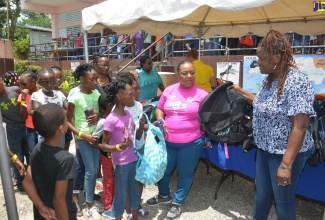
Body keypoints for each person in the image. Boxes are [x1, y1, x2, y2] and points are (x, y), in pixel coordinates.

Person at [233, 29, 315, 220]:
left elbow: (300, 126)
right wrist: (241, 92)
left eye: (262, 59)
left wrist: (286, 165)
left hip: (284, 153)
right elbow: (264, 104)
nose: (258, 63)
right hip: (265, 148)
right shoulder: (271, 78)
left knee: (283, 201)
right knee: (262, 195)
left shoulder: (295, 80)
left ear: (277, 57)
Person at [146, 60, 208, 219]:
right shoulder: (169, 90)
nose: (189, 76)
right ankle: (164, 195)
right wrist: (161, 121)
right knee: (164, 171)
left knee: (185, 173)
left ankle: (177, 203)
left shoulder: (202, 94)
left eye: (192, 73)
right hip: (167, 141)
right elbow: (160, 108)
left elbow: (209, 118)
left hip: (191, 142)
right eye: (185, 73)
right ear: (177, 75)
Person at [101, 78, 145, 220]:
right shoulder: (111, 119)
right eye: (130, 94)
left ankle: (134, 216)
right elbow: (104, 145)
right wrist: (120, 146)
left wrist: (142, 126)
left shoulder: (129, 114)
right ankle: (118, 215)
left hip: (133, 159)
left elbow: (133, 137)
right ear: (119, 96)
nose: (134, 96)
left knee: (134, 191)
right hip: (121, 163)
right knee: (120, 192)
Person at [23, 103, 77, 220]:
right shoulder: (65, 159)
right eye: (65, 119)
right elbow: (58, 200)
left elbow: (27, 182)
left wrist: (41, 207)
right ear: (61, 128)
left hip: (43, 215)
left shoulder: (38, 148)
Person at [66, 63, 101, 220]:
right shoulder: (75, 97)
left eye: (96, 79)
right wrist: (81, 135)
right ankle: (89, 205)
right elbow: (67, 121)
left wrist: (98, 116)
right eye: (92, 79)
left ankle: (89, 198)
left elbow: (104, 111)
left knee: (94, 170)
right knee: (91, 170)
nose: (96, 82)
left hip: (97, 137)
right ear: (82, 79)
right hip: (84, 138)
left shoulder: (97, 95)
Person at [115, 72, 149, 219]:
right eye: (135, 89)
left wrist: (144, 126)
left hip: (139, 146)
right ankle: (128, 209)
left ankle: (136, 204)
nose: (138, 92)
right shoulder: (120, 110)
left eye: (139, 88)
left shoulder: (138, 106)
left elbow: (139, 133)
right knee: (127, 181)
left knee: (138, 178)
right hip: (126, 151)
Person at [0, 73, 29, 192]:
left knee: (30, 152)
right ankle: (19, 180)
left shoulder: (14, 90)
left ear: (1, 80)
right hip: (12, 128)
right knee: (17, 154)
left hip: (26, 125)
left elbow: (26, 98)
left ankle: (32, 177)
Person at [29, 68, 68, 147]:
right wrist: (61, 112)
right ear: (39, 82)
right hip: (45, 134)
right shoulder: (37, 96)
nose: (49, 85)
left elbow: (68, 108)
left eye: (52, 82)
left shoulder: (59, 94)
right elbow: (39, 113)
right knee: (47, 156)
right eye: (45, 82)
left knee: (60, 154)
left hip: (60, 131)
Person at [91, 94, 115, 219]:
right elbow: (93, 140)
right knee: (109, 179)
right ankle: (108, 205)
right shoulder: (103, 122)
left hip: (116, 155)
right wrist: (103, 147)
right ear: (110, 106)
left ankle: (114, 199)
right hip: (107, 156)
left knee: (115, 177)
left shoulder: (114, 117)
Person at [51, 66, 73, 151]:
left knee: (65, 149)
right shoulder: (43, 93)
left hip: (65, 126)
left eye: (60, 77)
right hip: (52, 128)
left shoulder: (64, 93)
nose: (59, 80)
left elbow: (69, 108)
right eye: (56, 78)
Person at [18, 70, 38, 153]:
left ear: (33, 82)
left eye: (24, 84)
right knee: (33, 152)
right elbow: (23, 116)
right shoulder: (23, 96)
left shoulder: (40, 93)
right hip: (30, 129)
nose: (22, 87)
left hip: (42, 128)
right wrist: (23, 99)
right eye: (20, 84)